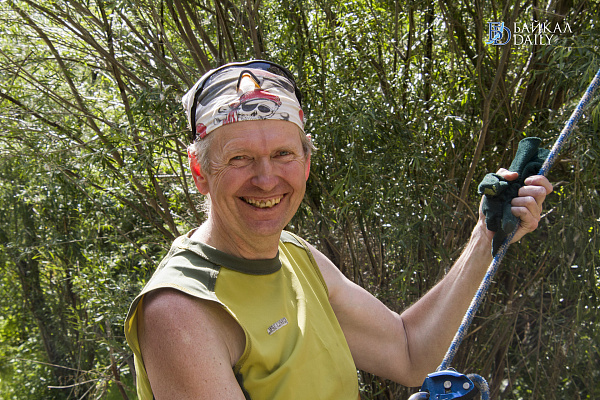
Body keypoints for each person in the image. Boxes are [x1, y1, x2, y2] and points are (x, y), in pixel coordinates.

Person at [124, 60, 553, 400]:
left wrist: (486, 237)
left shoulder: (295, 256)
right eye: (240, 158)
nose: (266, 179)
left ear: (306, 164)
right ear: (200, 171)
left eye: (283, 154)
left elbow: (410, 352)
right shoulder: (180, 310)